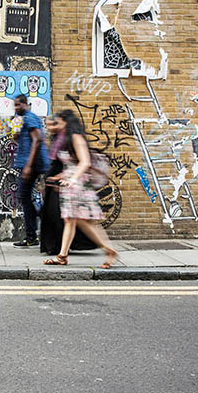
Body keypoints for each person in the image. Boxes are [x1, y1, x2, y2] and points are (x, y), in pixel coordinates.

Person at [43, 110, 118, 268]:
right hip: (70, 184)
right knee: (71, 220)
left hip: (79, 186)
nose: (55, 125)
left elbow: (85, 162)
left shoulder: (76, 137)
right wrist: (60, 177)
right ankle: (62, 256)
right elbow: (73, 164)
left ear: (66, 122)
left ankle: (109, 249)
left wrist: (73, 179)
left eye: (58, 122)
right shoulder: (65, 139)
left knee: (83, 222)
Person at [40, 115, 96, 255]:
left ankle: (62, 249)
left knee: (65, 216)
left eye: (54, 124)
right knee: (66, 217)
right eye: (48, 125)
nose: (50, 127)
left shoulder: (72, 138)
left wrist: (69, 178)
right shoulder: (56, 138)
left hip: (70, 181)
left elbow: (82, 162)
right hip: (59, 177)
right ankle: (60, 251)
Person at [12, 94, 50, 248]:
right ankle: (32, 235)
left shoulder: (30, 117)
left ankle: (36, 230)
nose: (15, 108)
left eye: (17, 105)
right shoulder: (24, 119)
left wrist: (28, 165)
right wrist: (17, 135)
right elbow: (28, 139)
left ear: (24, 104)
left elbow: (37, 139)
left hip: (32, 165)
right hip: (28, 163)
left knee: (25, 197)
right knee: (25, 198)